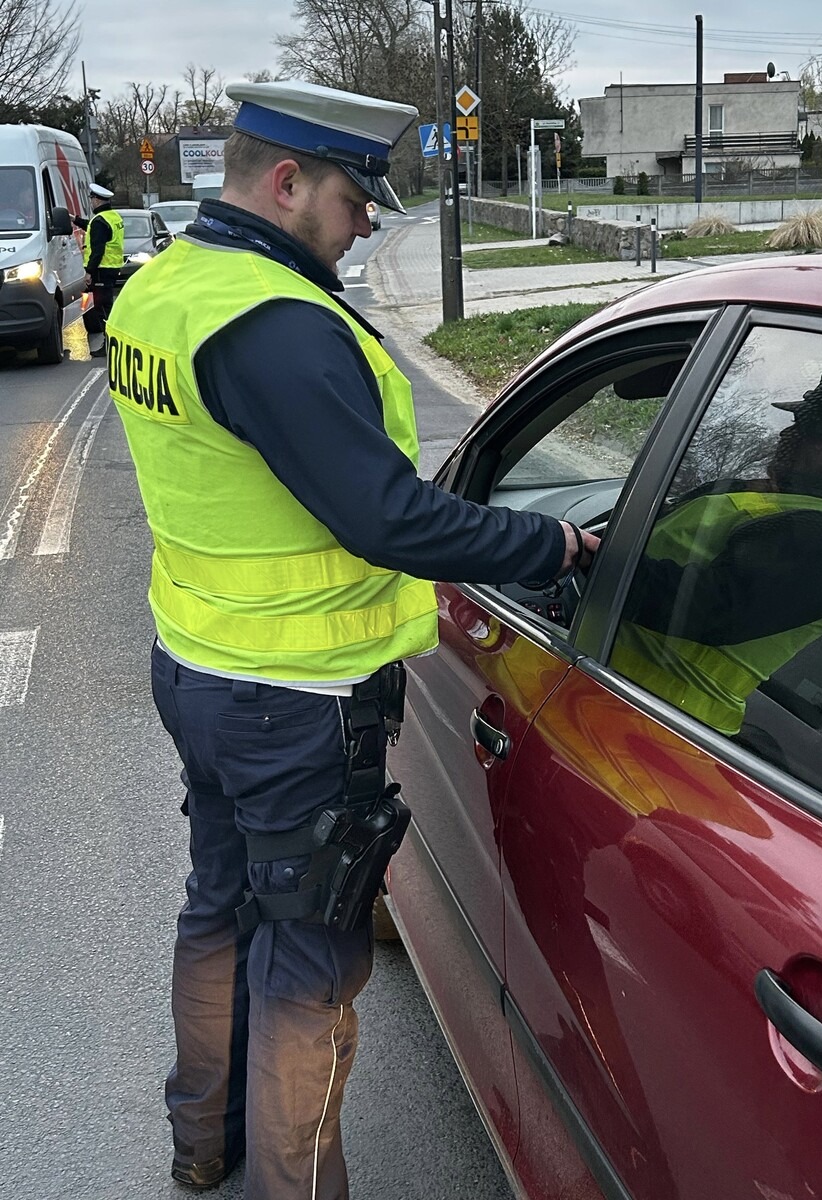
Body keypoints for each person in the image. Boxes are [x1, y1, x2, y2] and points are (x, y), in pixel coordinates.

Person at [104, 80, 598, 1199]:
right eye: (354, 196)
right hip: (295, 696)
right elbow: (387, 516)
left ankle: (201, 1143)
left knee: (219, 906)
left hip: (199, 667)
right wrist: (553, 545)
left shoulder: (165, 287)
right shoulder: (275, 326)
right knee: (309, 968)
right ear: (287, 184)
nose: (371, 219)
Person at [612, 349, 822, 736]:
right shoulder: (782, 504)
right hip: (616, 694)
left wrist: (583, 555)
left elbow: (710, 607)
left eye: (814, 430)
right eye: (797, 422)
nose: (788, 433)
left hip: (650, 722)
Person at [73, 182, 123, 348]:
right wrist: (76, 220)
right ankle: (112, 341)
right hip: (113, 268)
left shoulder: (99, 221)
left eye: (92, 198)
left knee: (102, 308)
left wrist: (89, 272)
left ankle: (110, 343)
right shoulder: (112, 217)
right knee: (107, 305)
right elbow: (93, 227)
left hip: (102, 269)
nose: (91, 201)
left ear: (98, 200)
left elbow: (97, 250)